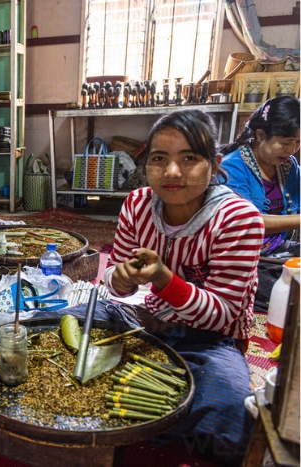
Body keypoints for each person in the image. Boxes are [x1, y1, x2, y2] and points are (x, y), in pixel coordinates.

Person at [102, 110, 264, 465]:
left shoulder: (238, 219)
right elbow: (115, 283)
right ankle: (161, 413)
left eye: (189, 158)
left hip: (209, 341)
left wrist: (165, 280)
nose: (172, 173)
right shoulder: (138, 205)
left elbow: (222, 315)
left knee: (232, 408)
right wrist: (121, 277)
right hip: (148, 322)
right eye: (159, 159)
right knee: (67, 320)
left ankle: (150, 416)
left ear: (214, 163)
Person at [220, 96, 300, 312]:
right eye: (285, 143)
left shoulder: (287, 165)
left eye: (298, 142)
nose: (292, 149)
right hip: (242, 258)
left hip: (278, 249)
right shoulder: (232, 168)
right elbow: (247, 223)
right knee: (289, 296)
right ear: (260, 135)